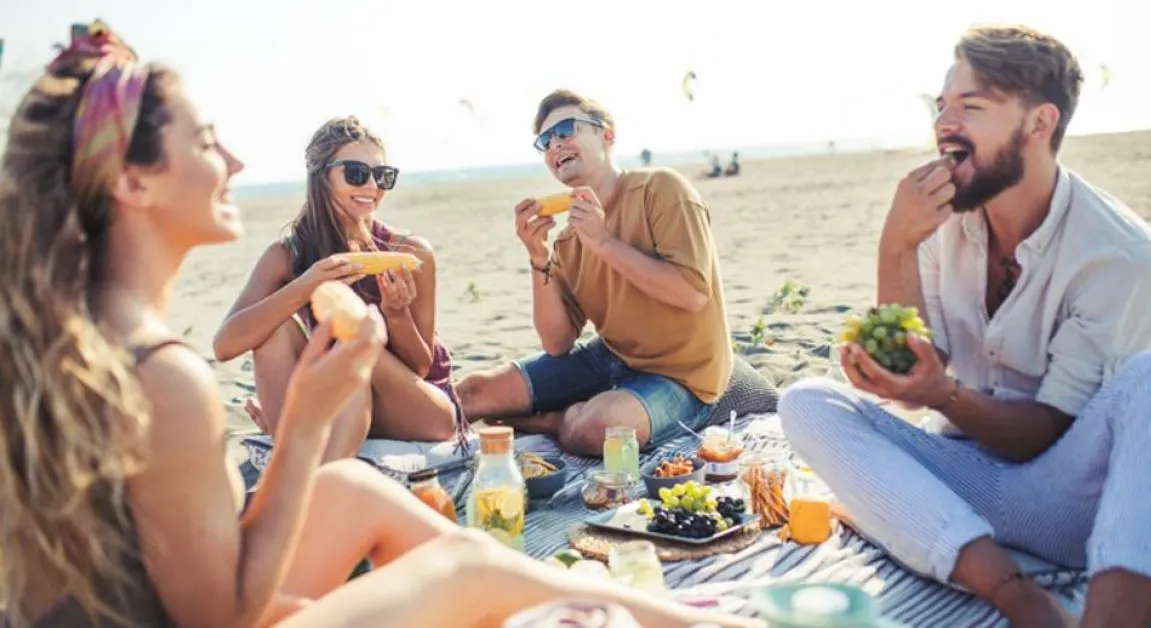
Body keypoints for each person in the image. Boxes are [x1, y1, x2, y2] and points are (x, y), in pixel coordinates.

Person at [0, 22, 764, 628]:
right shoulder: (166, 377)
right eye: (206, 143)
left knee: (358, 494)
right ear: (131, 181)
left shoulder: (72, 330)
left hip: (133, 605)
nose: (234, 160)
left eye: (380, 175)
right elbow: (219, 614)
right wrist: (303, 423)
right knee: (457, 568)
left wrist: (387, 332)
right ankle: (678, 622)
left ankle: (655, 615)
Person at [777, 25, 1151, 628]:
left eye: (971, 107)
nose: (945, 121)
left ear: (1039, 123)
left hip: (1067, 499)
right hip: (960, 478)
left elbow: (1041, 436)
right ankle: (1019, 595)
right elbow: (904, 367)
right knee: (806, 402)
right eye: (943, 105)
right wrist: (896, 244)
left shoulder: (1120, 254)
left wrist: (942, 394)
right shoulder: (940, 220)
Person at [456, 89, 734, 456]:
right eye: (545, 141)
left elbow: (692, 293)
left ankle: (552, 421)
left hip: (685, 376)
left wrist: (603, 243)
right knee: (470, 394)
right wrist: (538, 256)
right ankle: (565, 410)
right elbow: (557, 343)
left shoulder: (662, 189)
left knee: (598, 429)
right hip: (612, 357)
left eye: (566, 130)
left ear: (607, 135)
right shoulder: (569, 240)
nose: (555, 144)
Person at [212, 115, 464, 461]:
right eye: (356, 173)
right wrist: (306, 284)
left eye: (383, 176)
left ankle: (312, 465)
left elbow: (421, 367)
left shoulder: (409, 252)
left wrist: (396, 313)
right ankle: (301, 451)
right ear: (321, 176)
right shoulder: (287, 256)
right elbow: (226, 344)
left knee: (353, 346)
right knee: (274, 328)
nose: (372, 187)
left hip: (421, 411)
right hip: (339, 404)